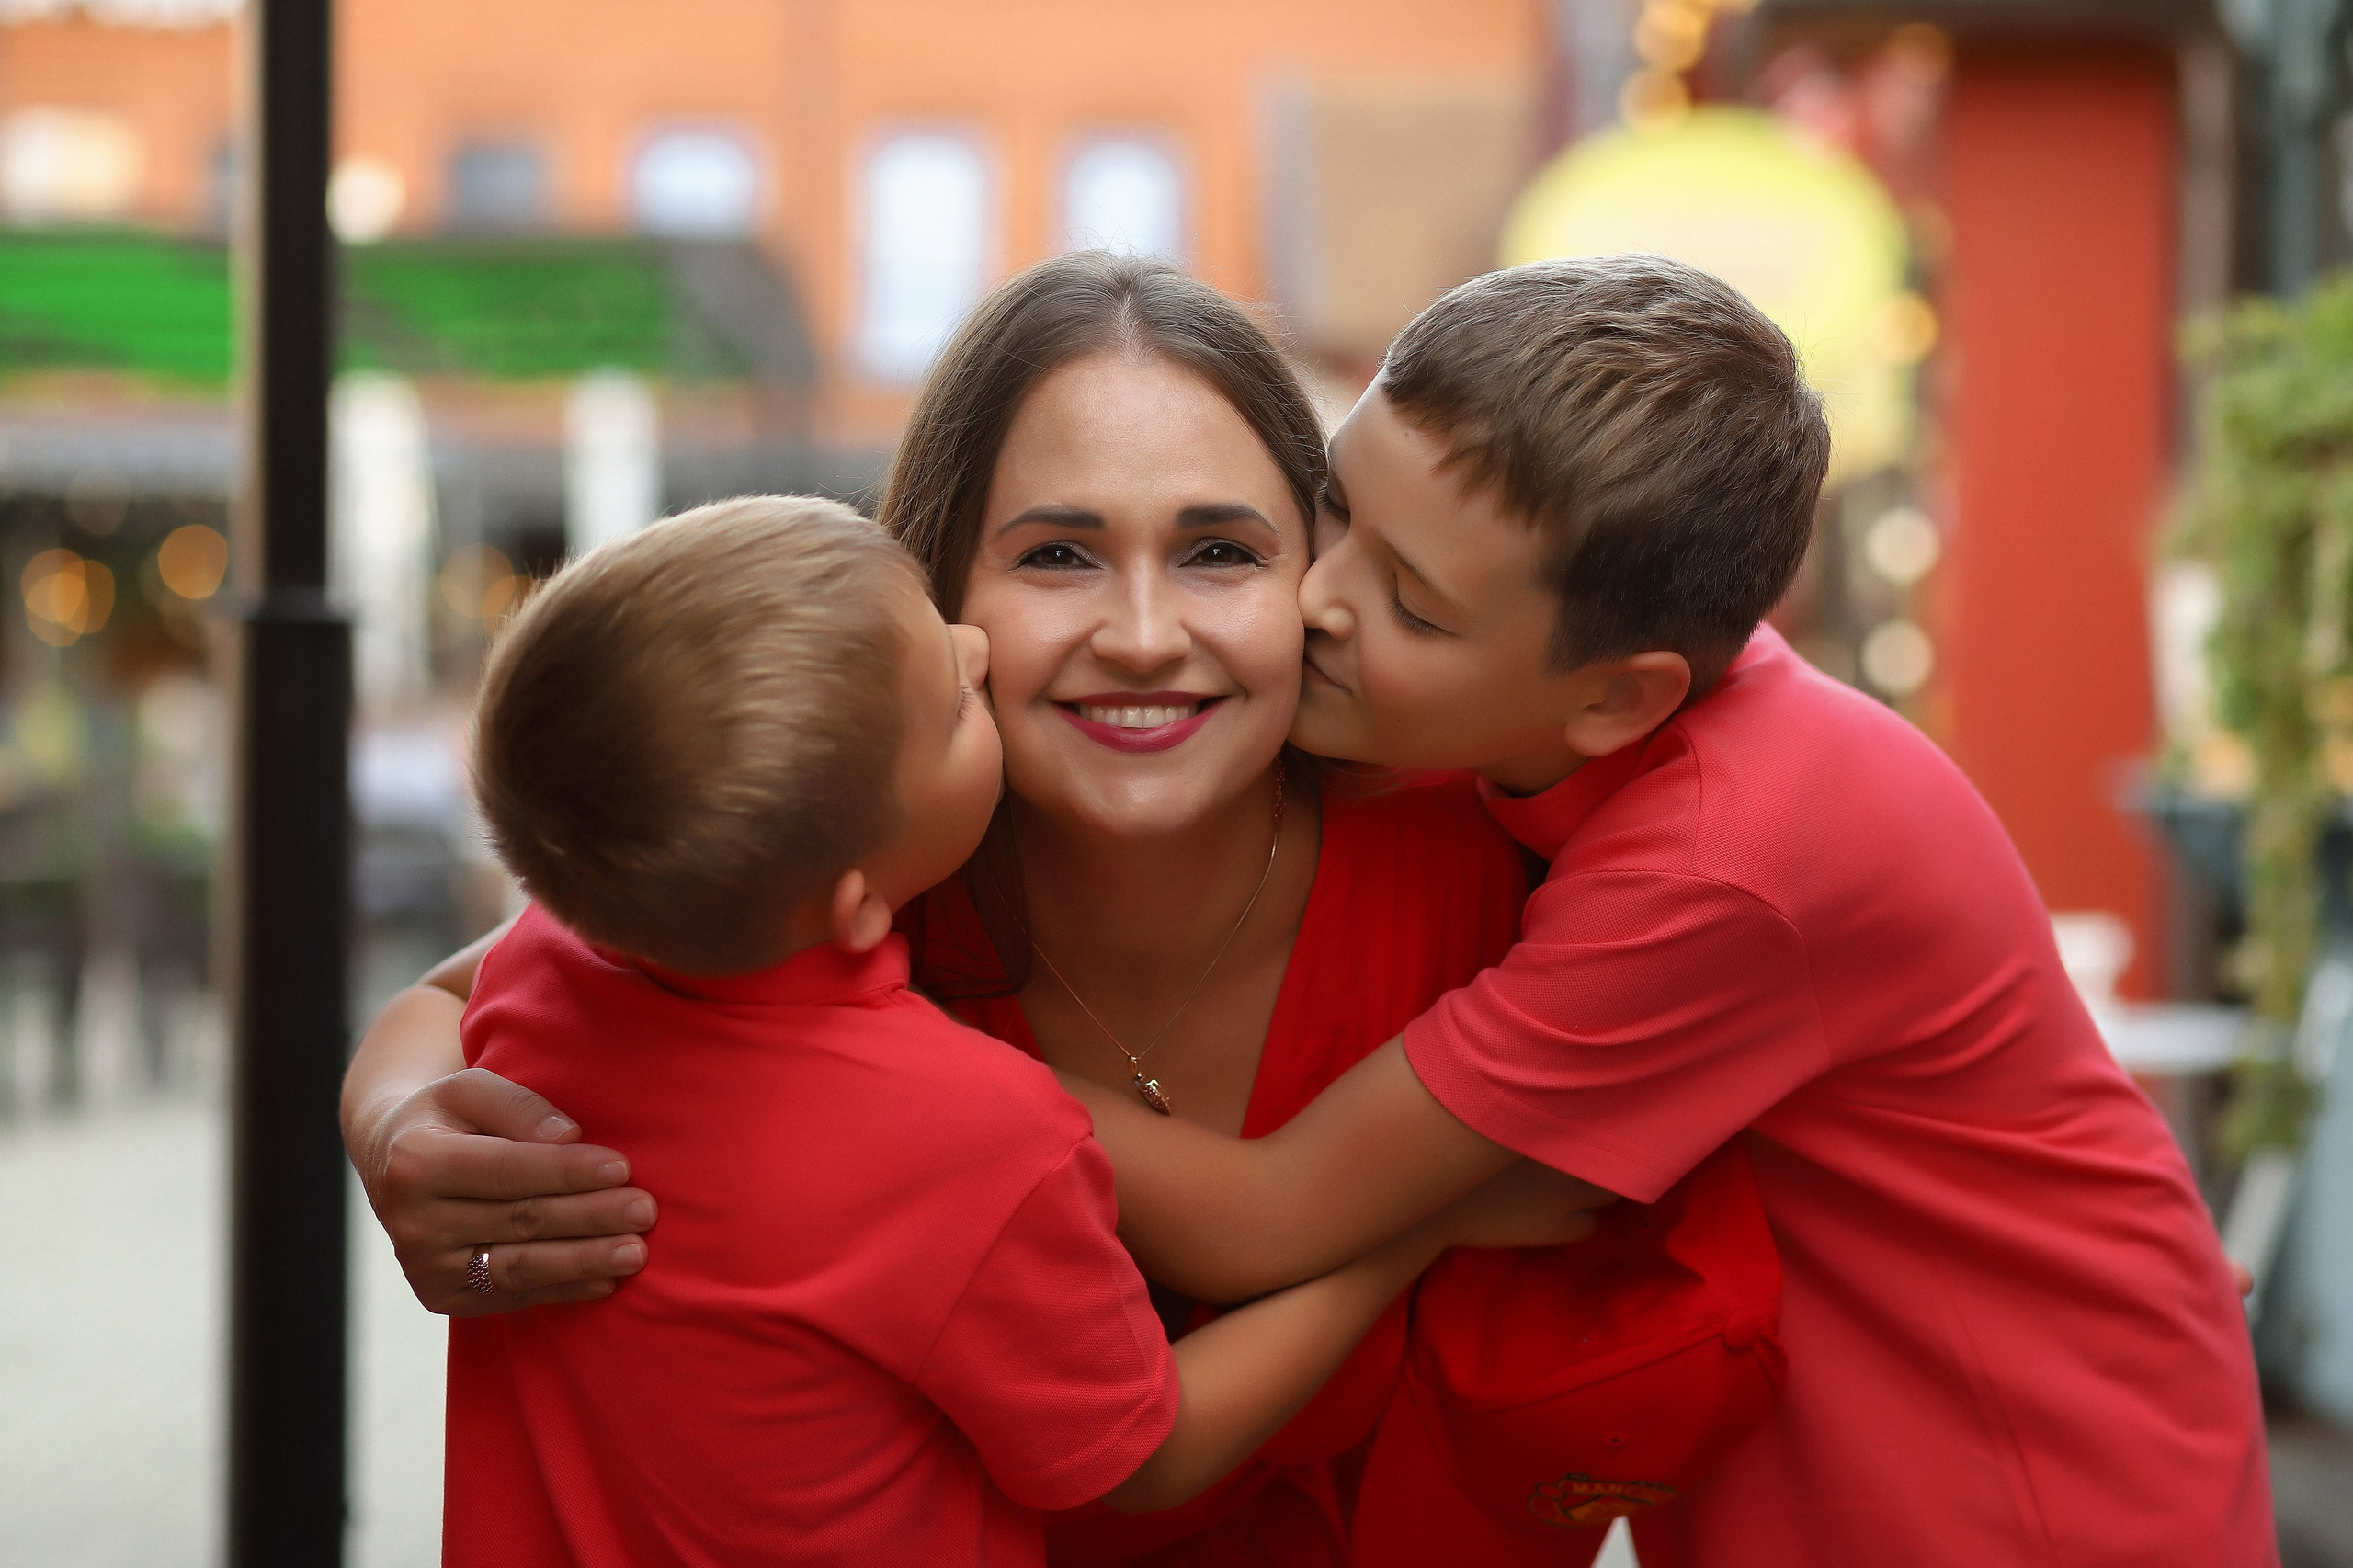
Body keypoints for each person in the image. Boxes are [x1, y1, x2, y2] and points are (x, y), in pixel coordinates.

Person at [344, 253, 1590, 1564]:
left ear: (1321, 581)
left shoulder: (1487, 849)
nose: (1147, 633)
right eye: (1058, 554)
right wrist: (399, 1127)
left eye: (1221, 550)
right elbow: (452, 995)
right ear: (939, 591)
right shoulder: (778, 883)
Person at [1061, 256, 2276, 1566]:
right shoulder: (1623, 701)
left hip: (2025, 1470)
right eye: (1331, 506)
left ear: (1617, 697)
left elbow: (1267, 1216)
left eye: (1410, 601)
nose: (1315, 595)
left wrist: (899, 1069)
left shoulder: (1711, 867)